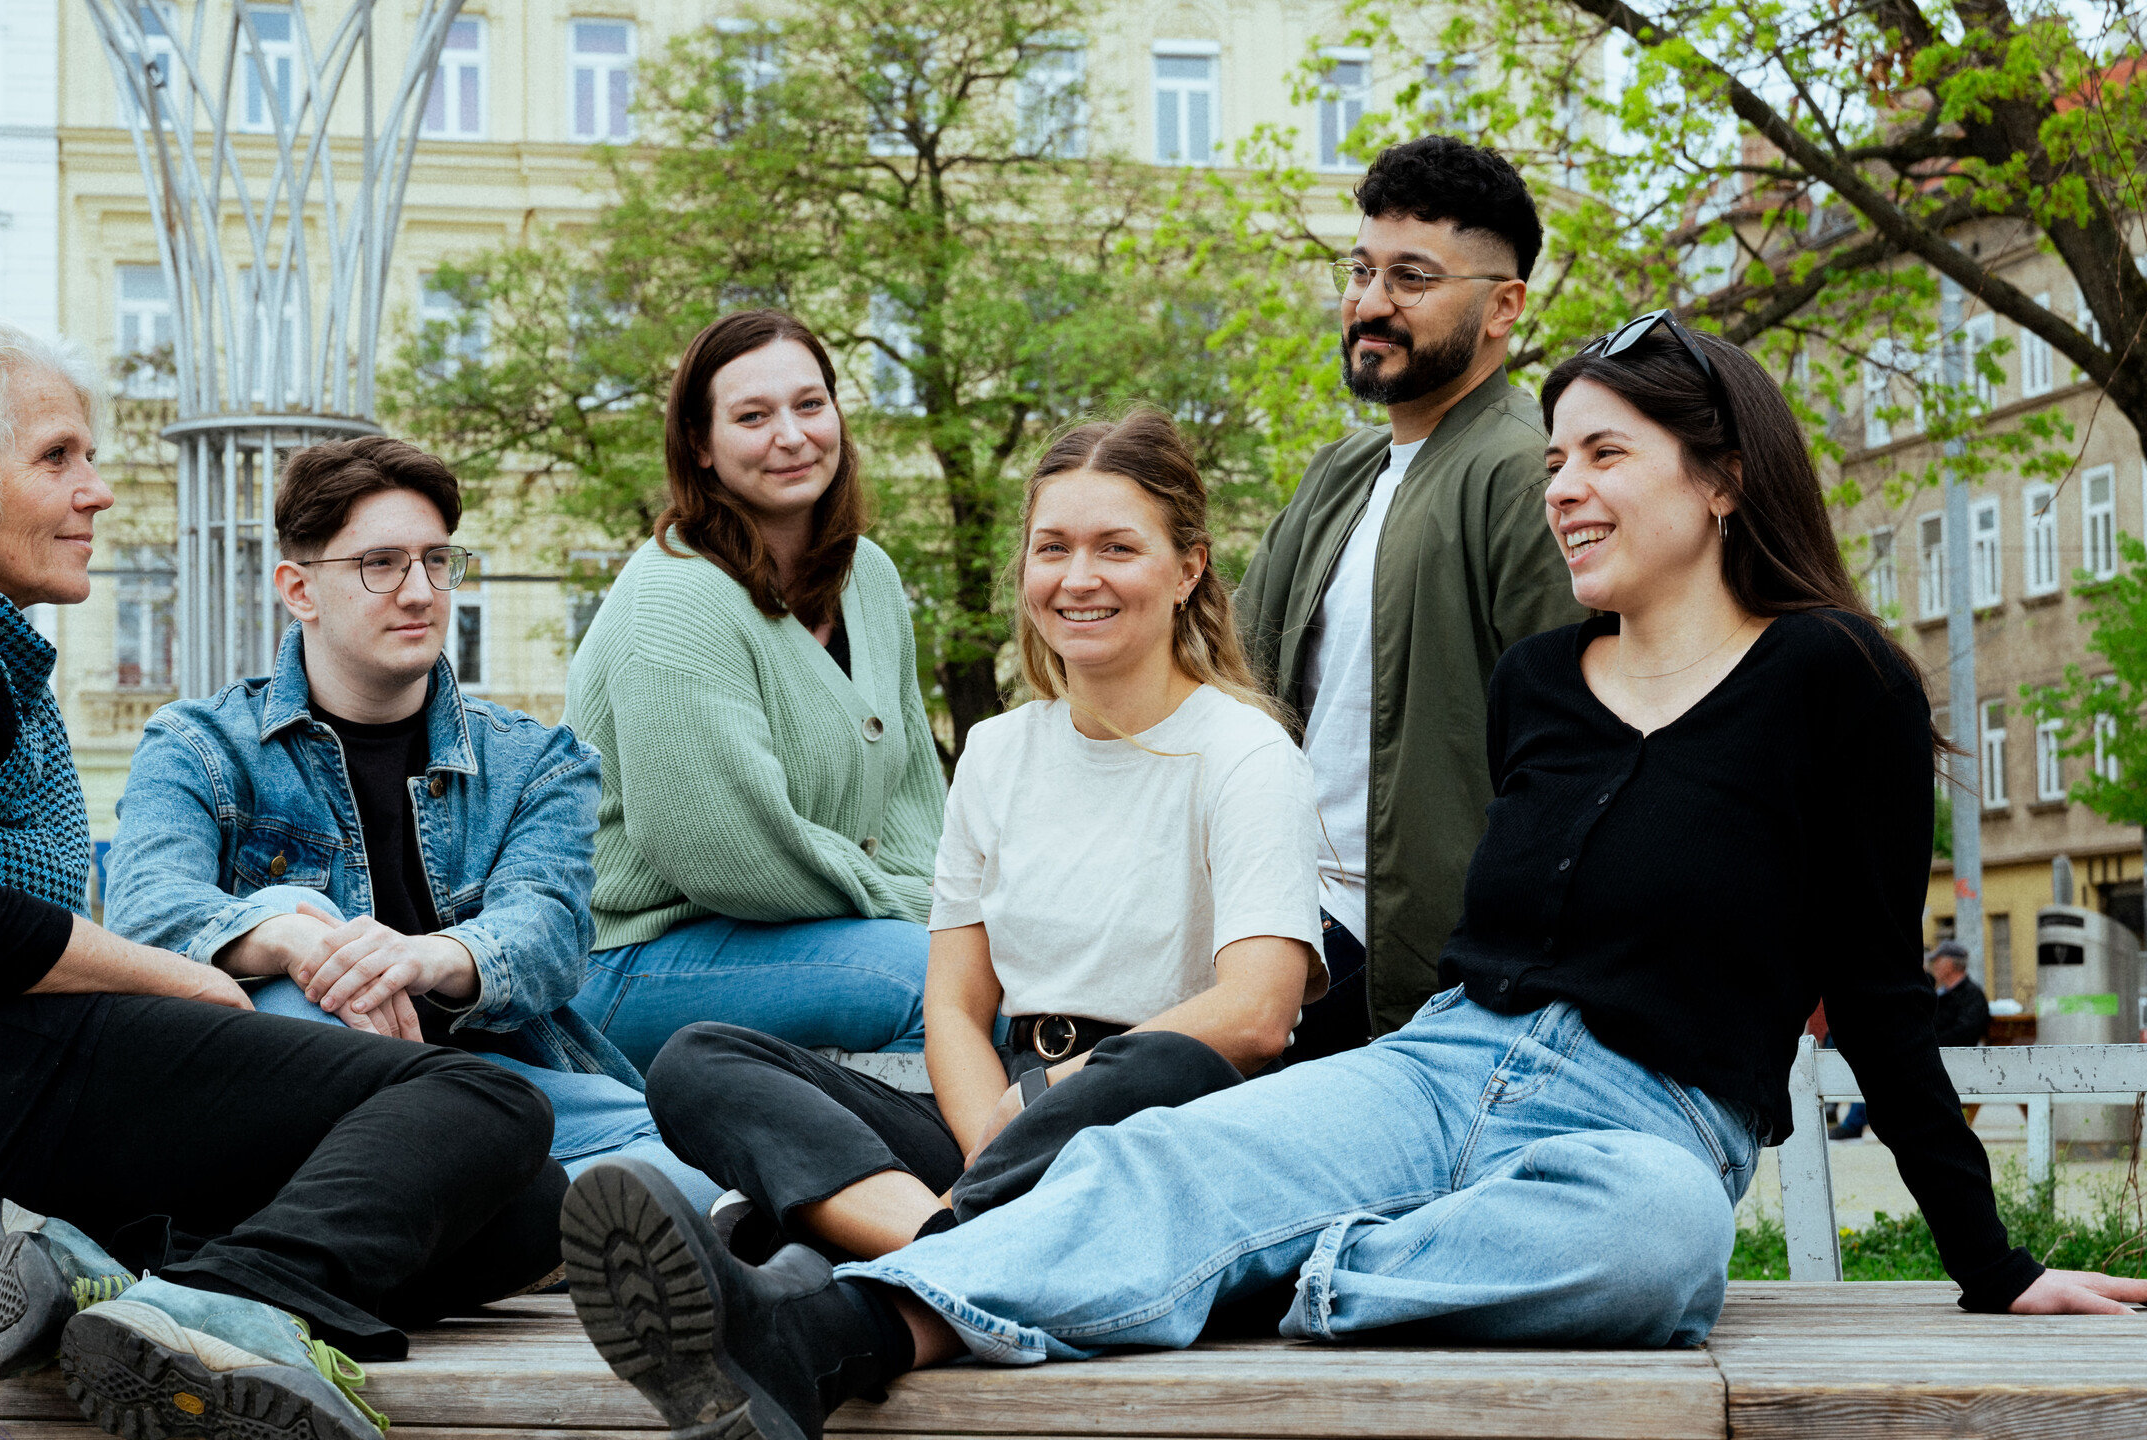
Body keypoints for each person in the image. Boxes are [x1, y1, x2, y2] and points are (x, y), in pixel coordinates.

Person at [555, 316, 2147, 1440]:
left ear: (1722, 478)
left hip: (1646, 1119)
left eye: (1605, 454)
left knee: (1660, 1248)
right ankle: (816, 1339)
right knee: (1169, 1160)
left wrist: (1991, 1263)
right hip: (1440, 1062)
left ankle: (1242, 1273)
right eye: (1556, 459)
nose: (1564, 487)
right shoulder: (1540, 684)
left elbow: (1876, 988)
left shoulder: (1836, 682)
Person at [0, 312, 560, 1440]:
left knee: (520, 1213)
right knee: (484, 1100)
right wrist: (182, 977)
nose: (96, 491)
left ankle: (102, 1292)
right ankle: (220, 1311)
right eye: (56, 458)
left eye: (88, 457)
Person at [646, 409, 1323, 1262]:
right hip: (998, 1111)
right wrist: (987, 1147)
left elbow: (1257, 1014)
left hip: (1159, 1119)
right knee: (698, 1062)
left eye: (1117, 548)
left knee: (1164, 1062)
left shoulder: (1245, 752)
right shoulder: (998, 752)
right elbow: (956, 1009)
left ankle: (857, 1232)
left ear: (1189, 569)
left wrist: (1041, 1103)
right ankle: (953, 1240)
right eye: (1053, 548)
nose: (1079, 578)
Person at [103, 434, 718, 1208]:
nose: (421, 592)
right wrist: (294, 939)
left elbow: (550, 935)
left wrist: (422, 958)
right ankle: (495, 1207)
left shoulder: (538, 760)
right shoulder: (200, 745)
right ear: (299, 590)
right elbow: (144, 909)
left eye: (435, 561)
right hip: (297, 1081)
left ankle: (476, 1204)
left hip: (497, 1092)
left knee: (702, 1166)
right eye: (382, 564)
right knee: (292, 936)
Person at [1237, 136, 1589, 1056]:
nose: (1370, 304)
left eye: (1412, 278)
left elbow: (1577, 753)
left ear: (1504, 305)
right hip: (1273, 926)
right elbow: (1225, 677)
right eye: (1361, 271)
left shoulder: (1530, 472)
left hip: (1416, 973)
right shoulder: (1339, 473)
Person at [563, 310, 948, 1070]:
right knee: (938, 984)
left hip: (807, 933)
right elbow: (724, 852)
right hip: (634, 956)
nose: (792, 436)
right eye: (752, 417)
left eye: (810, 405)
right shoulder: (678, 597)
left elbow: (910, 799)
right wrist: (921, 914)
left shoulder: (869, 575)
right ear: (700, 446)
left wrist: (950, 909)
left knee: (993, 971)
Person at [1835, 941, 1990, 1138]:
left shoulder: (1972, 995)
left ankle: (1853, 1124)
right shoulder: (1938, 991)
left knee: (1882, 1066)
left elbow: (1965, 1031)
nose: (1933, 966)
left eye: (1937, 961)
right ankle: (1852, 1121)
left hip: (1948, 1057)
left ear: (1950, 965)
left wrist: (1927, 1041)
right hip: (1924, 1051)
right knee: (1877, 1059)